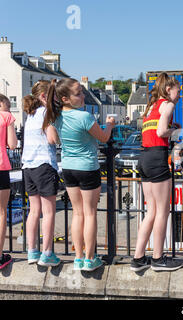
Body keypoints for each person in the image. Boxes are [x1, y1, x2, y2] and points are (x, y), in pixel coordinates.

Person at [43, 78, 115, 272]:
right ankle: (90, 259)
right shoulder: (84, 117)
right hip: (87, 167)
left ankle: (78, 257)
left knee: (77, 213)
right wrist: (109, 124)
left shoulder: (56, 117)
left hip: (67, 167)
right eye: (78, 93)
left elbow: (55, 139)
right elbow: (104, 137)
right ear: (65, 98)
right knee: (90, 213)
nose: (83, 96)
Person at [130, 73, 183, 272]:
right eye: (178, 90)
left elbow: (154, 129)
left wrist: (170, 127)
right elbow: (161, 132)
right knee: (162, 211)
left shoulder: (152, 107)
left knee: (150, 211)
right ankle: (158, 258)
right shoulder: (168, 105)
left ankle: (138, 257)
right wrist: (174, 132)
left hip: (144, 158)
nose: (180, 94)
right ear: (169, 90)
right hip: (158, 158)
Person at [22, 80, 61, 267]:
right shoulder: (46, 113)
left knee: (34, 211)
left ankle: (32, 251)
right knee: (49, 211)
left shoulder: (30, 115)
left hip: (28, 166)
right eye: (53, 97)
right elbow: (52, 139)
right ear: (44, 97)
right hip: (44, 164)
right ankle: (47, 253)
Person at [0, 94, 17, 270]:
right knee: (1, 212)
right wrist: (9, 122)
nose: (9, 110)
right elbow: (12, 144)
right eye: (7, 106)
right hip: (0, 167)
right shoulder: (6, 117)